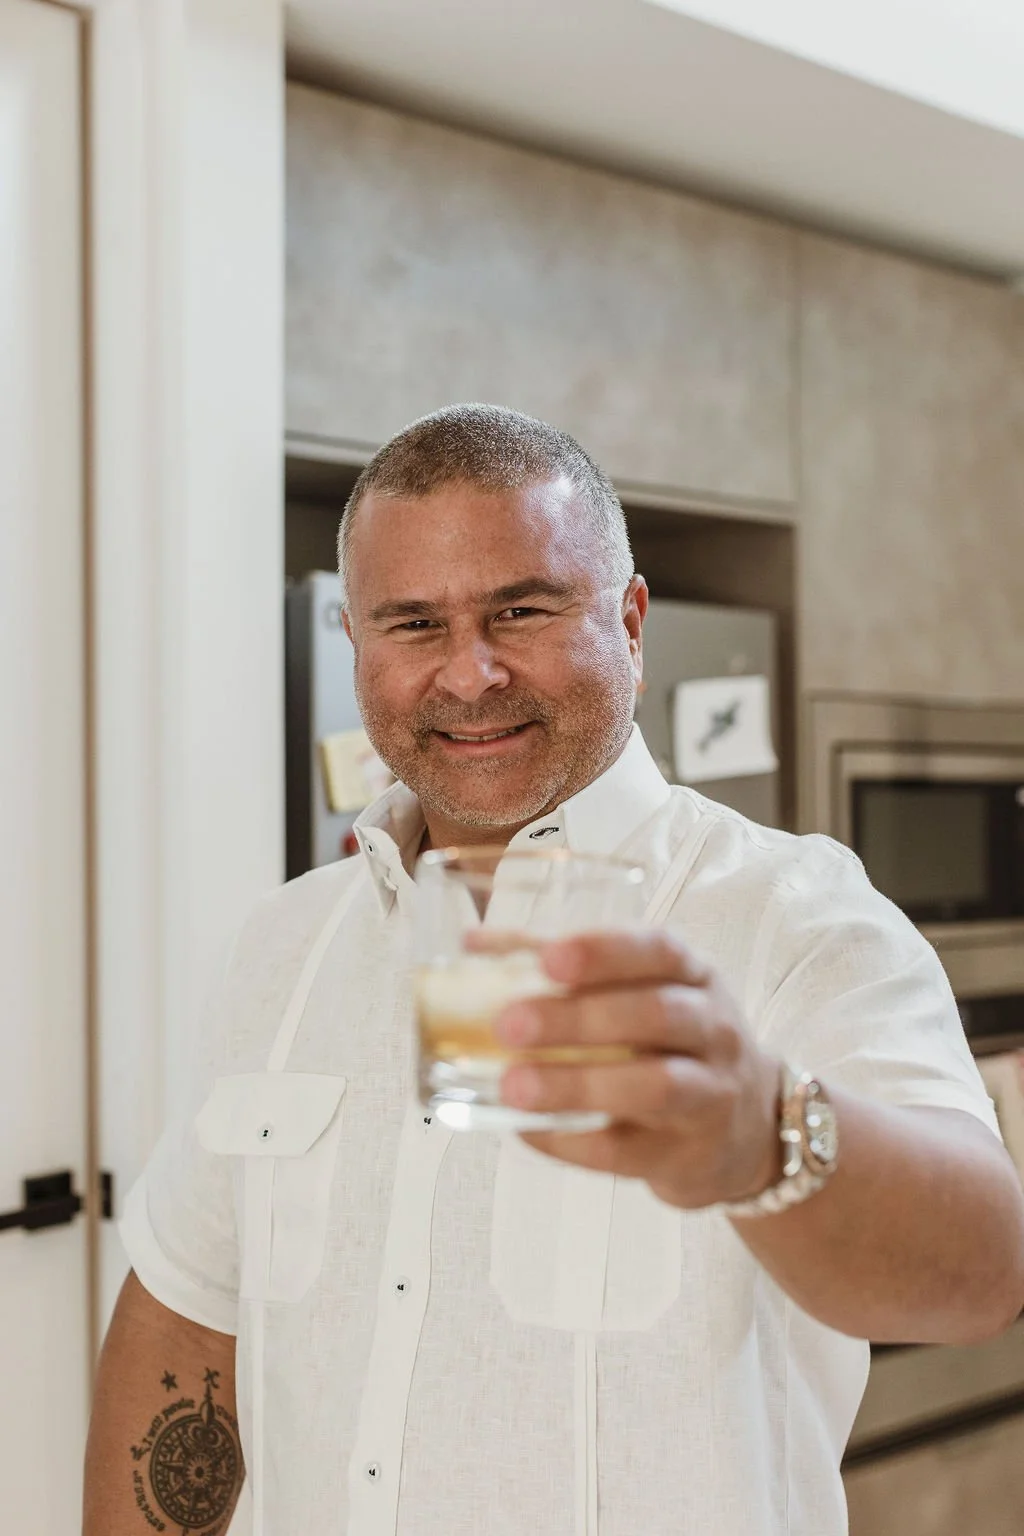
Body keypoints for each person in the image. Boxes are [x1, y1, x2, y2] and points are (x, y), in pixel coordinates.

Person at [84, 404, 1024, 1536]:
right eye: (413, 623)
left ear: (629, 620)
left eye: (521, 610)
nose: (469, 674)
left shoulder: (795, 916)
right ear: (358, 645)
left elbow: (980, 1273)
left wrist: (763, 1134)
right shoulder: (282, 946)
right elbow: (187, 1322)